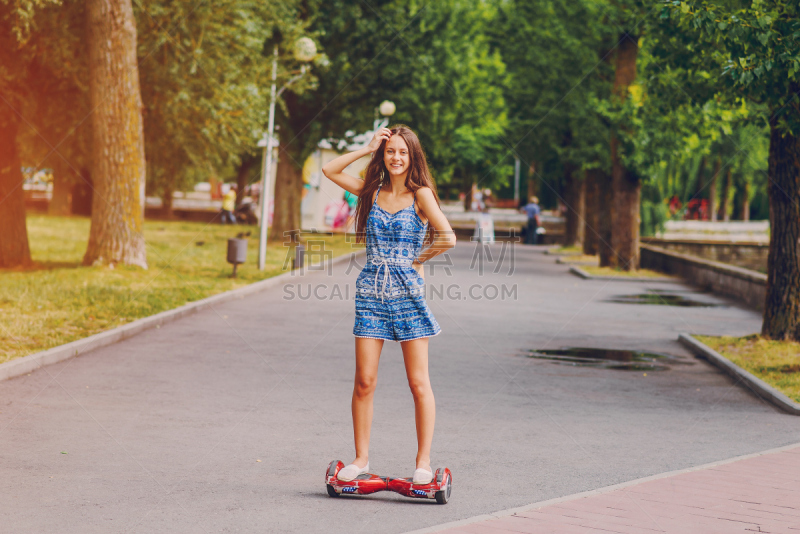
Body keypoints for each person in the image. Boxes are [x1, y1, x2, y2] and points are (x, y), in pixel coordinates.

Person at [321, 125, 456, 486]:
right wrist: (366, 148)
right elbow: (330, 170)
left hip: (408, 296)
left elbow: (448, 237)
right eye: (390, 151)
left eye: (402, 152)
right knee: (364, 381)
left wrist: (417, 260)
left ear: (413, 157)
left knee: (418, 383)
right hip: (370, 294)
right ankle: (361, 458)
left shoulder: (421, 195)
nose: (396, 158)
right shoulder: (371, 191)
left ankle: (423, 463)